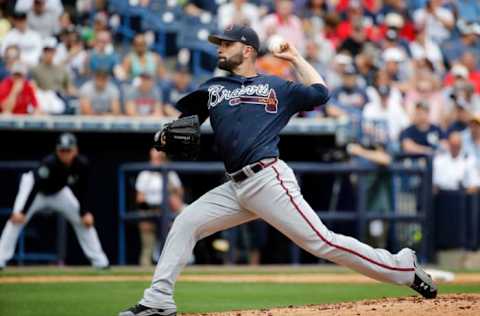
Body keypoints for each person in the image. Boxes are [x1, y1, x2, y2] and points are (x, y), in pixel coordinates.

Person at [119, 25, 437, 316]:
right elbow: (182, 124)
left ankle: (402, 267)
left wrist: (296, 57)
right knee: (186, 222)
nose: (218, 48)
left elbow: (320, 92)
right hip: (235, 187)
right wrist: (163, 135)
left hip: (268, 179)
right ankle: (158, 300)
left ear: (247, 50)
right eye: (218, 43)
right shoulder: (213, 87)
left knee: (323, 242)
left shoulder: (276, 86)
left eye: (226, 43)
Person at [0, 133, 109, 269]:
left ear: (75, 150)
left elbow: (83, 190)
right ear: (57, 150)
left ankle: (100, 262)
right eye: (62, 150)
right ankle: (1, 258)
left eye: (68, 150)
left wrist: (84, 212)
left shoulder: (81, 164)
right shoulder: (49, 163)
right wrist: (22, 211)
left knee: (84, 221)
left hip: (59, 192)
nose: (65, 154)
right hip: (34, 191)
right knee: (16, 220)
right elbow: (36, 186)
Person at [135, 148, 185, 267]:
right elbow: (140, 199)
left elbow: (179, 196)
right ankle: (145, 269)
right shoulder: (145, 174)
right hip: (150, 211)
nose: (156, 161)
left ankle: (178, 264)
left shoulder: (170, 174)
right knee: (147, 244)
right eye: (154, 158)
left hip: (168, 211)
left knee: (179, 221)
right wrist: (150, 212)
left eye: (159, 158)